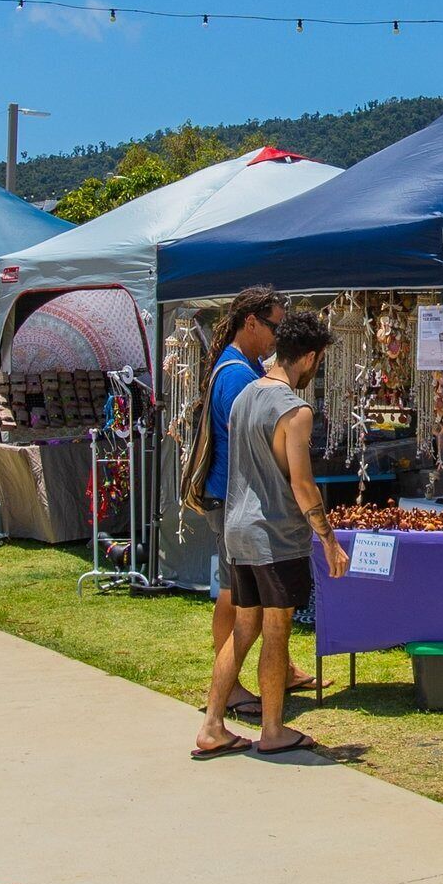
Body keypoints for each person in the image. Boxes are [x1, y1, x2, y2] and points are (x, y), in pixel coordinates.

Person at [203, 313, 349, 759]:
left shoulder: (244, 393)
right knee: (276, 628)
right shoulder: (295, 410)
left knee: (244, 628)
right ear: (308, 357)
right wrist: (328, 539)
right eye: (318, 363)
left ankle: (212, 725)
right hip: (274, 535)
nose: (315, 371)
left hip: (237, 530)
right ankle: (272, 730)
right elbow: (302, 485)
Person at [182, 286, 301, 747]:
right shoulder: (236, 375)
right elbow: (250, 445)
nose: (276, 336)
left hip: (233, 502)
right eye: (273, 326)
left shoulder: (245, 368)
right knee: (238, 601)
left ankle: (269, 678)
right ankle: (227, 692)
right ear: (250, 321)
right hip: (233, 502)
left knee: (248, 602)